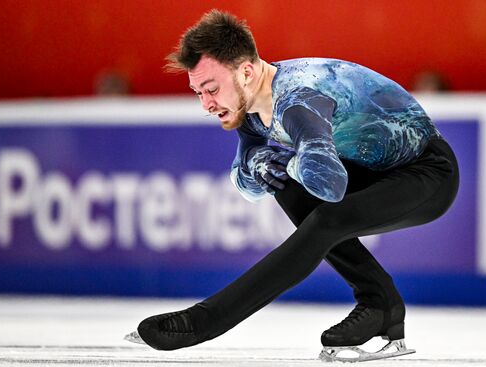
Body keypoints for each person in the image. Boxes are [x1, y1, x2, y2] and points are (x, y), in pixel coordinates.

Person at [125, 10, 459, 362]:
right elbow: (248, 185)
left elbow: (330, 184)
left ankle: (204, 320)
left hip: (427, 173)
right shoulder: (250, 104)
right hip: (372, 168)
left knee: (325, 218)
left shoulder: (298, 98)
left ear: (247, 72)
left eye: (211, 89)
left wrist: (281, 161)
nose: (207, 104)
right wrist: (258, 163)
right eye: (198, 93)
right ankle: (381, 305)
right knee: (284, 185)